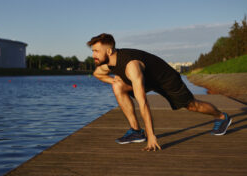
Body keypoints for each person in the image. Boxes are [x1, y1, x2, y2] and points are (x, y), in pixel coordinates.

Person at [86, 33, 232, 151]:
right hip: (148, 80)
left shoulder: (131, 66)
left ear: (109, 51)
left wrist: (151, 136)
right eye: (93, 51)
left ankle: (221, 116)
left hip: (166, 80)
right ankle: (136, 131)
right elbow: (97, 74)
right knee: (117, 86)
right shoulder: (108, 64)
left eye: (96, 51)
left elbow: (143, 103)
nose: (94, 55)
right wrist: (115, 81)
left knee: (191, 105)